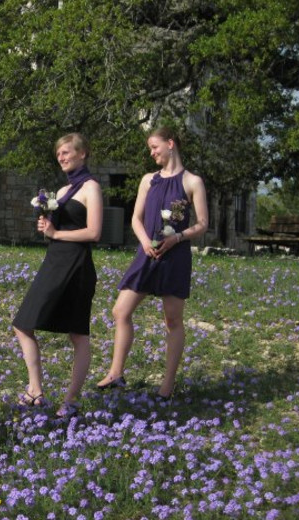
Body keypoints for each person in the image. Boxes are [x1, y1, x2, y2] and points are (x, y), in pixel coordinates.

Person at [97, 127, 208, 400]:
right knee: (120, 311)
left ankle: (167, 385)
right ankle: (116, 373)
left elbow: (203, 224)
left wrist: (178, 237)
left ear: (170, 144)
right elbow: (135, 218)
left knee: (172, 319)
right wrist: (145, 241)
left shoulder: (193, 181)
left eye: (154, 147)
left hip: (175, 255)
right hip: (146, 253)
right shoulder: (149, 180)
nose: (151, 152)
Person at [12, 133, 103, 419]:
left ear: (82, 153)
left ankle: (72, 399)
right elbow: (56, 230)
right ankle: (35, 389)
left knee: (77, 334)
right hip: (54, 261)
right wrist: (46, 225)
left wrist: (56, 232)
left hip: (77, 265)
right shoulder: (61, 191)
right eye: (59, 154)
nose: (62, 157)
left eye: (67, 152)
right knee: (23, 323)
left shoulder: (91, 188)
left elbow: (94, 232)